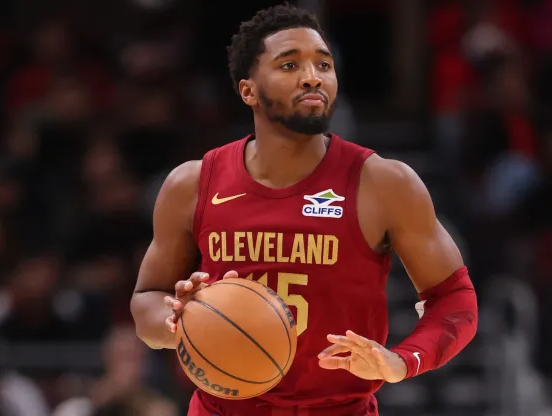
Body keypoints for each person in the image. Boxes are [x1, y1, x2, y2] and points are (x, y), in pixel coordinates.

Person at [131, 4, 478, 416]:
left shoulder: (383, 183)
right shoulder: (192, 184)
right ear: (249, 91)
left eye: (324, 64)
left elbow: (455, 299)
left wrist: (403, 361)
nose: (313, 76)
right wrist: (178, 318)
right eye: (290, 64)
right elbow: (146, 301)